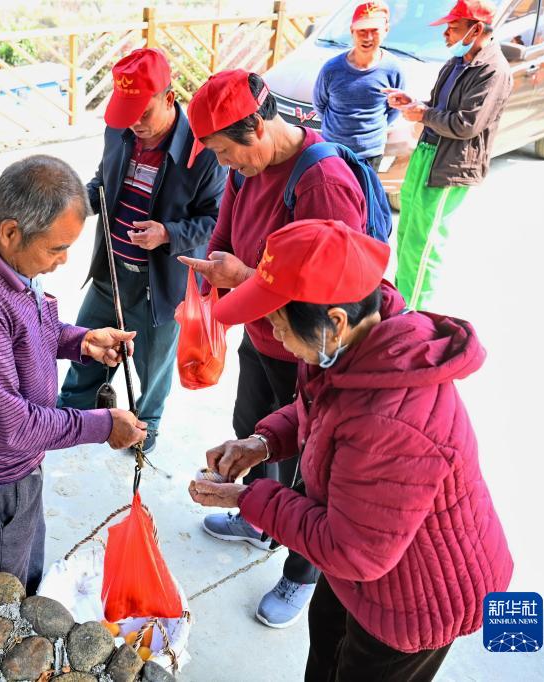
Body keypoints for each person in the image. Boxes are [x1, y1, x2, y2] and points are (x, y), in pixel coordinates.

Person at [188, 219, 512, 681]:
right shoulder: (350, 347)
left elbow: (353, 551)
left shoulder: (392, 421)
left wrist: (247, 499)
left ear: (335, 321)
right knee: (324, 654)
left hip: (418, 594)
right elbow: (319, 407)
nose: (273, 333)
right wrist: (262, 443)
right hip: (359, 566)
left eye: (279, 323)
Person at [179, 69, 366, 628]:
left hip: (306, 355)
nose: (223, 165)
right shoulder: (245, 168)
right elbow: (224, 238)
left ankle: (300, 574)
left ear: (256, 127)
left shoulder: (321, 181)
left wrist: (241, 282)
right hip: (262, 340)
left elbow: (330, 292)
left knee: (312, 466)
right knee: (252, 430)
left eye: (223, 151)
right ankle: (257, 518)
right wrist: (209, 288)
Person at [0, 155, 148, 593]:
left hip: (13, 467)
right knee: (3, 594)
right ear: (10, 231)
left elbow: (24, 328)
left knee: (24, 567)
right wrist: (102, 426)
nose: (62, 262)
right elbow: (12, 426)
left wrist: (79, 341)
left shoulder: (0, 258)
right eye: (56, 248)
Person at [56, 48, 226, 455]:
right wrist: (69, 208)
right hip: (110, 270)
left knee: (153, 369)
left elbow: (215, 219)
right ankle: (73, 416)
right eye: (126, 112)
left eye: (143, 113)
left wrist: (168, 233)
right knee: (88, 345)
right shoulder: (118, 131)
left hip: (161, 286)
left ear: (169, 99)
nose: (134, 123)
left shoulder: (202, 152)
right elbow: (102, 181)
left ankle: (143, 431)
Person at [385, 0, 512, 310]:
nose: (446, 34)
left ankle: (414, 313)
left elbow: (466, 124)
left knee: (424, 243)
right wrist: (414, 104)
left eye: (453, 28)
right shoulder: (457, 61)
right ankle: (403, 303)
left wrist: (424, 115)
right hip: (427, 153)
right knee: (406, 232)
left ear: (477, 29)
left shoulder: (493, 70)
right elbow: (438, 107)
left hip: (450, 166)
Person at [312, 1, 405, 169]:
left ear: (386, 30)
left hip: (370, 154)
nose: (368, 37)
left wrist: (371, 132)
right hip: (334, 151)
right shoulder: (331, 69)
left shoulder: (393, 69)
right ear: (352, 31)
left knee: (365, 195)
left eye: (374, 31)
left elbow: (394, 109)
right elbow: (320, 104)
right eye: (362, 30)